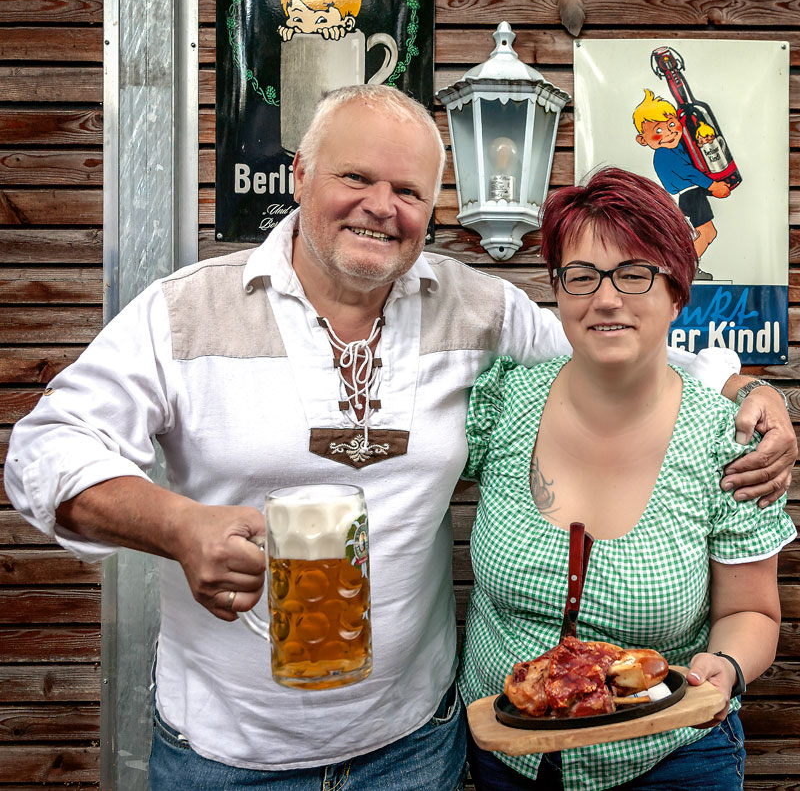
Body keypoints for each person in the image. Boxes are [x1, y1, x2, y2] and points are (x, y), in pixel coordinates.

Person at [3, 86, 794, 791]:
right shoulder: (185, 312)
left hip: (416, 746)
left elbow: (615, 339)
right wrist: (175, 525)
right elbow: (44, 449)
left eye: (408, 190)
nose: (382, 205)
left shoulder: (476, 310)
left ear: (433, 207)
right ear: (300, 177)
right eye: (356, 178)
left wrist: (744, 386)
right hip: (227, 753)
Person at [459, 167, 796, 791]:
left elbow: (750, 609)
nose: (605, 298)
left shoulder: (730, 440)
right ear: (558, 293)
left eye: (634, 273)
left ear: (676, 292)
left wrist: (724, 664)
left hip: (668, 758)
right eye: (581, 277)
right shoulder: (504, 399)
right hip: (506, 754)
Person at [634, 88, 730, 279]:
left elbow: (696, 160)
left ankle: (687, 269)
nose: (669, 132)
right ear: (642, 139)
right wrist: (712, 186)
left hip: (691, 194)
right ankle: (685, 270)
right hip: (688, 196)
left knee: (698, 234)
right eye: (658, 130)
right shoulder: (664, 154)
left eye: (671, 124)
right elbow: (689, 173)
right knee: (707, 233)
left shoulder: (677, 146)